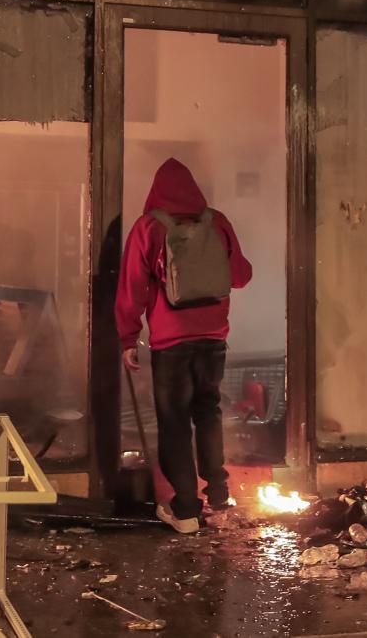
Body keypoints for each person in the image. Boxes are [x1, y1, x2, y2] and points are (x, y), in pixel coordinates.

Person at [116, 158, 252, 534]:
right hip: (213, 339)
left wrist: (128, 337)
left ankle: (187, 510)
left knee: (174, 422)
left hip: (171, 344)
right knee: (208, 411)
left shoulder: (149, 228)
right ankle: (220, 494)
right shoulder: (217, 222)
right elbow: (240, 277)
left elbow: (132, 288)